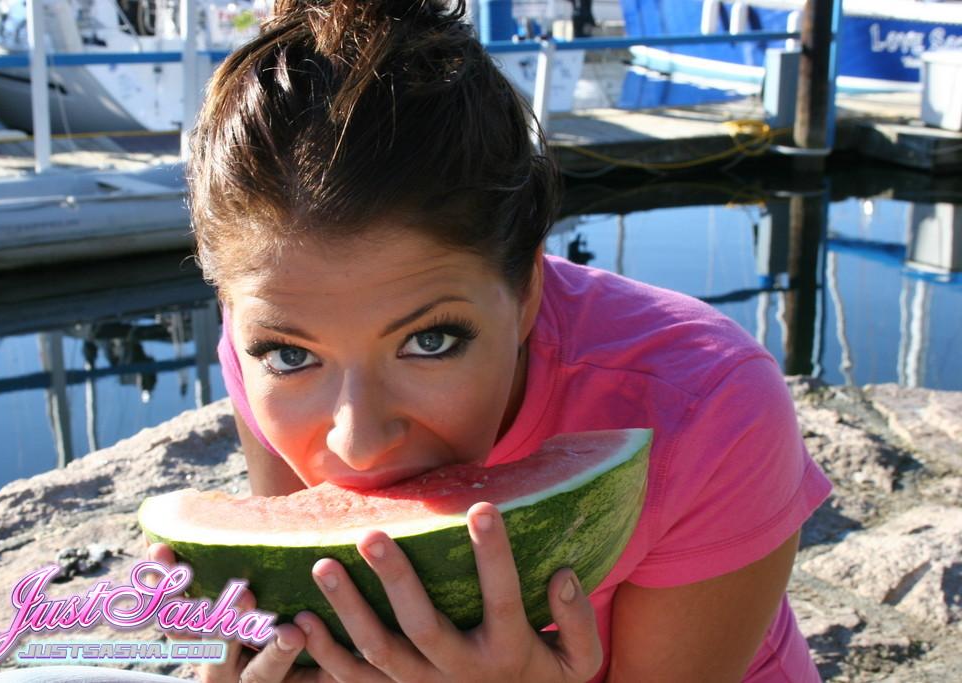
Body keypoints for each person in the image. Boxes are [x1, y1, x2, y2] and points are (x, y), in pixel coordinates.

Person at [147, 0, 833, 681]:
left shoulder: (707, 406)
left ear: (528, 288)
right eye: (291, 355)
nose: (357, 441)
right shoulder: (252, 344)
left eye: (430, 340)